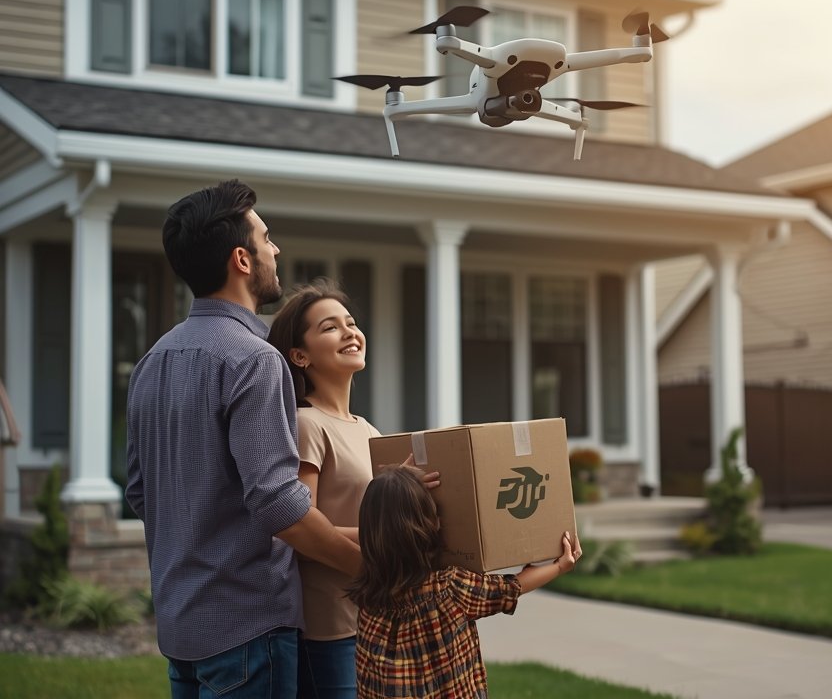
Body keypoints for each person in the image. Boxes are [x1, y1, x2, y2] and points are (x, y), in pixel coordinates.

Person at [125, 180, 362, 699]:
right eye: (266, 238)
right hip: (249, 629)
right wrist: (368, 567)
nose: (275, 249)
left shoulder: (151, 362)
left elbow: (140, 492)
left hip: (181, 630)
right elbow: (280, 506)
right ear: (242, 259)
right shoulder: (254, 360)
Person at [350, 464, 582, 699]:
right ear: (425, 526)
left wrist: (402, 482)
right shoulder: (450, 589)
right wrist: (560, 565)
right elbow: (512, 587)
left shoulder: (368, 600)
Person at [266, 279, 381, 698]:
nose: (350, 332)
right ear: (299, 355)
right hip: (329, 625)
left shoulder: (369, 430)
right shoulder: (305, 424)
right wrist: (386, 542)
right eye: (330, 327)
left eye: (351, 322)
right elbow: (304, 525)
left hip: (373, 614)